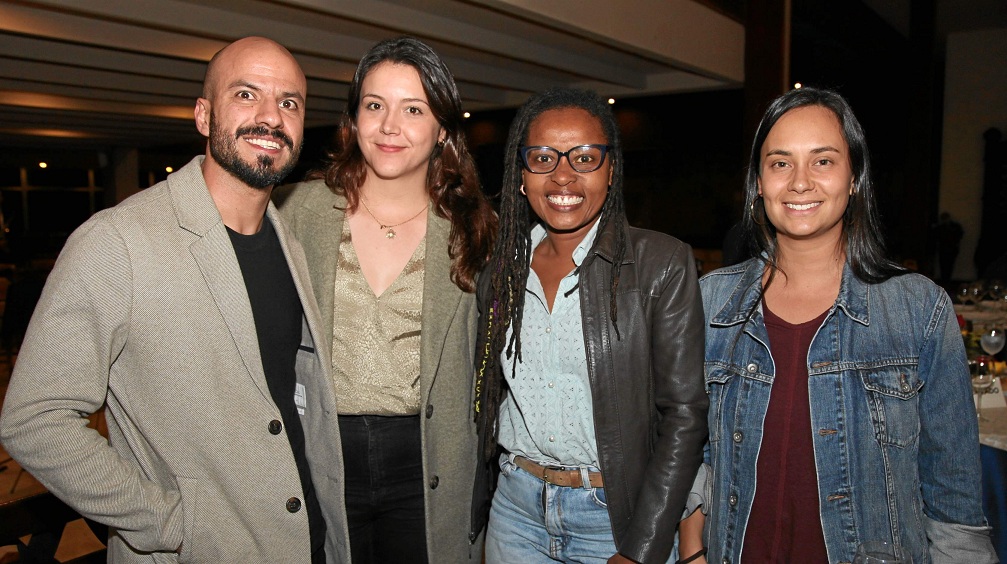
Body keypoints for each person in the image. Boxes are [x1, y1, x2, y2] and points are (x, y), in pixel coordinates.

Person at [0, 37, 350, 563]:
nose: (270, 117)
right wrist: (173, 523)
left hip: (307, 542)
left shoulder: (288, 242)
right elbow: (34, 419)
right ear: (204, 116)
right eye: (246, 95)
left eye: (289, 102)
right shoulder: (116, 242)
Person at [691, 87, 997, 563]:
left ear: (854, 178)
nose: (799, 182)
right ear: (758, 182)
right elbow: (695, 453)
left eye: (823, 161)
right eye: (780, 163)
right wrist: (692, 550)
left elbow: (954, 502)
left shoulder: (918, 310)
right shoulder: (711, 301)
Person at [274, 37, 496, 563]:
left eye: (413, 109)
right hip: (320, 453)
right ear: (354, 120)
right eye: (375, 106)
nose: (389, 126)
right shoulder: (298, 213)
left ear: (442, 128)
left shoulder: (474, 229)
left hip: (429, 464)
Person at [470, 87, 708, 564]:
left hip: (613, 517)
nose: (563, 175)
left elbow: (684, 417)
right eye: (542, 157)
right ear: (521, 175)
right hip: (515, 511)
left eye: (584, 157)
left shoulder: (661, 264)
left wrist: (643, 546)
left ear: (611, 169)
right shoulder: (500, 271)